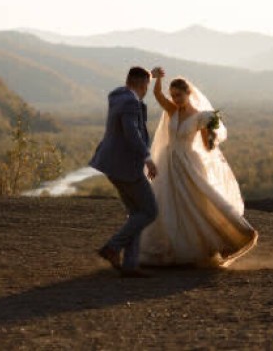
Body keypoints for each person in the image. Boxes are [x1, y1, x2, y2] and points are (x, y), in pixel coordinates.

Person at [139, 67, 258, 267]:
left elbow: (207, 146)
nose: (176, 99)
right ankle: (169, 249)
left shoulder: (201, 117)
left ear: (189, 94)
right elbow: (157, 94)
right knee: (165, 204)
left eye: (179, 95)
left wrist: (211, 133)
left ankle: (234, 235)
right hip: (167, 161)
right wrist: (157, 78)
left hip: (188, 162)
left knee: (199, 202)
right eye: (173, 95)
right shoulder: (172, 111)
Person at [90, 66, 158, 277]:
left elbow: (133, 105)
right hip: (127, 166)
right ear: (141, 85)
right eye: (146, 85)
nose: (147, 89)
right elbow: (132, 132)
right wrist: (147, 157)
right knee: (149, 211)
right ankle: (112, 247)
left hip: (113, 165)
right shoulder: (130, 101)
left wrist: (149, 76)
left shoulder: (119, 95)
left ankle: (130, 265)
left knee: (136, 214)